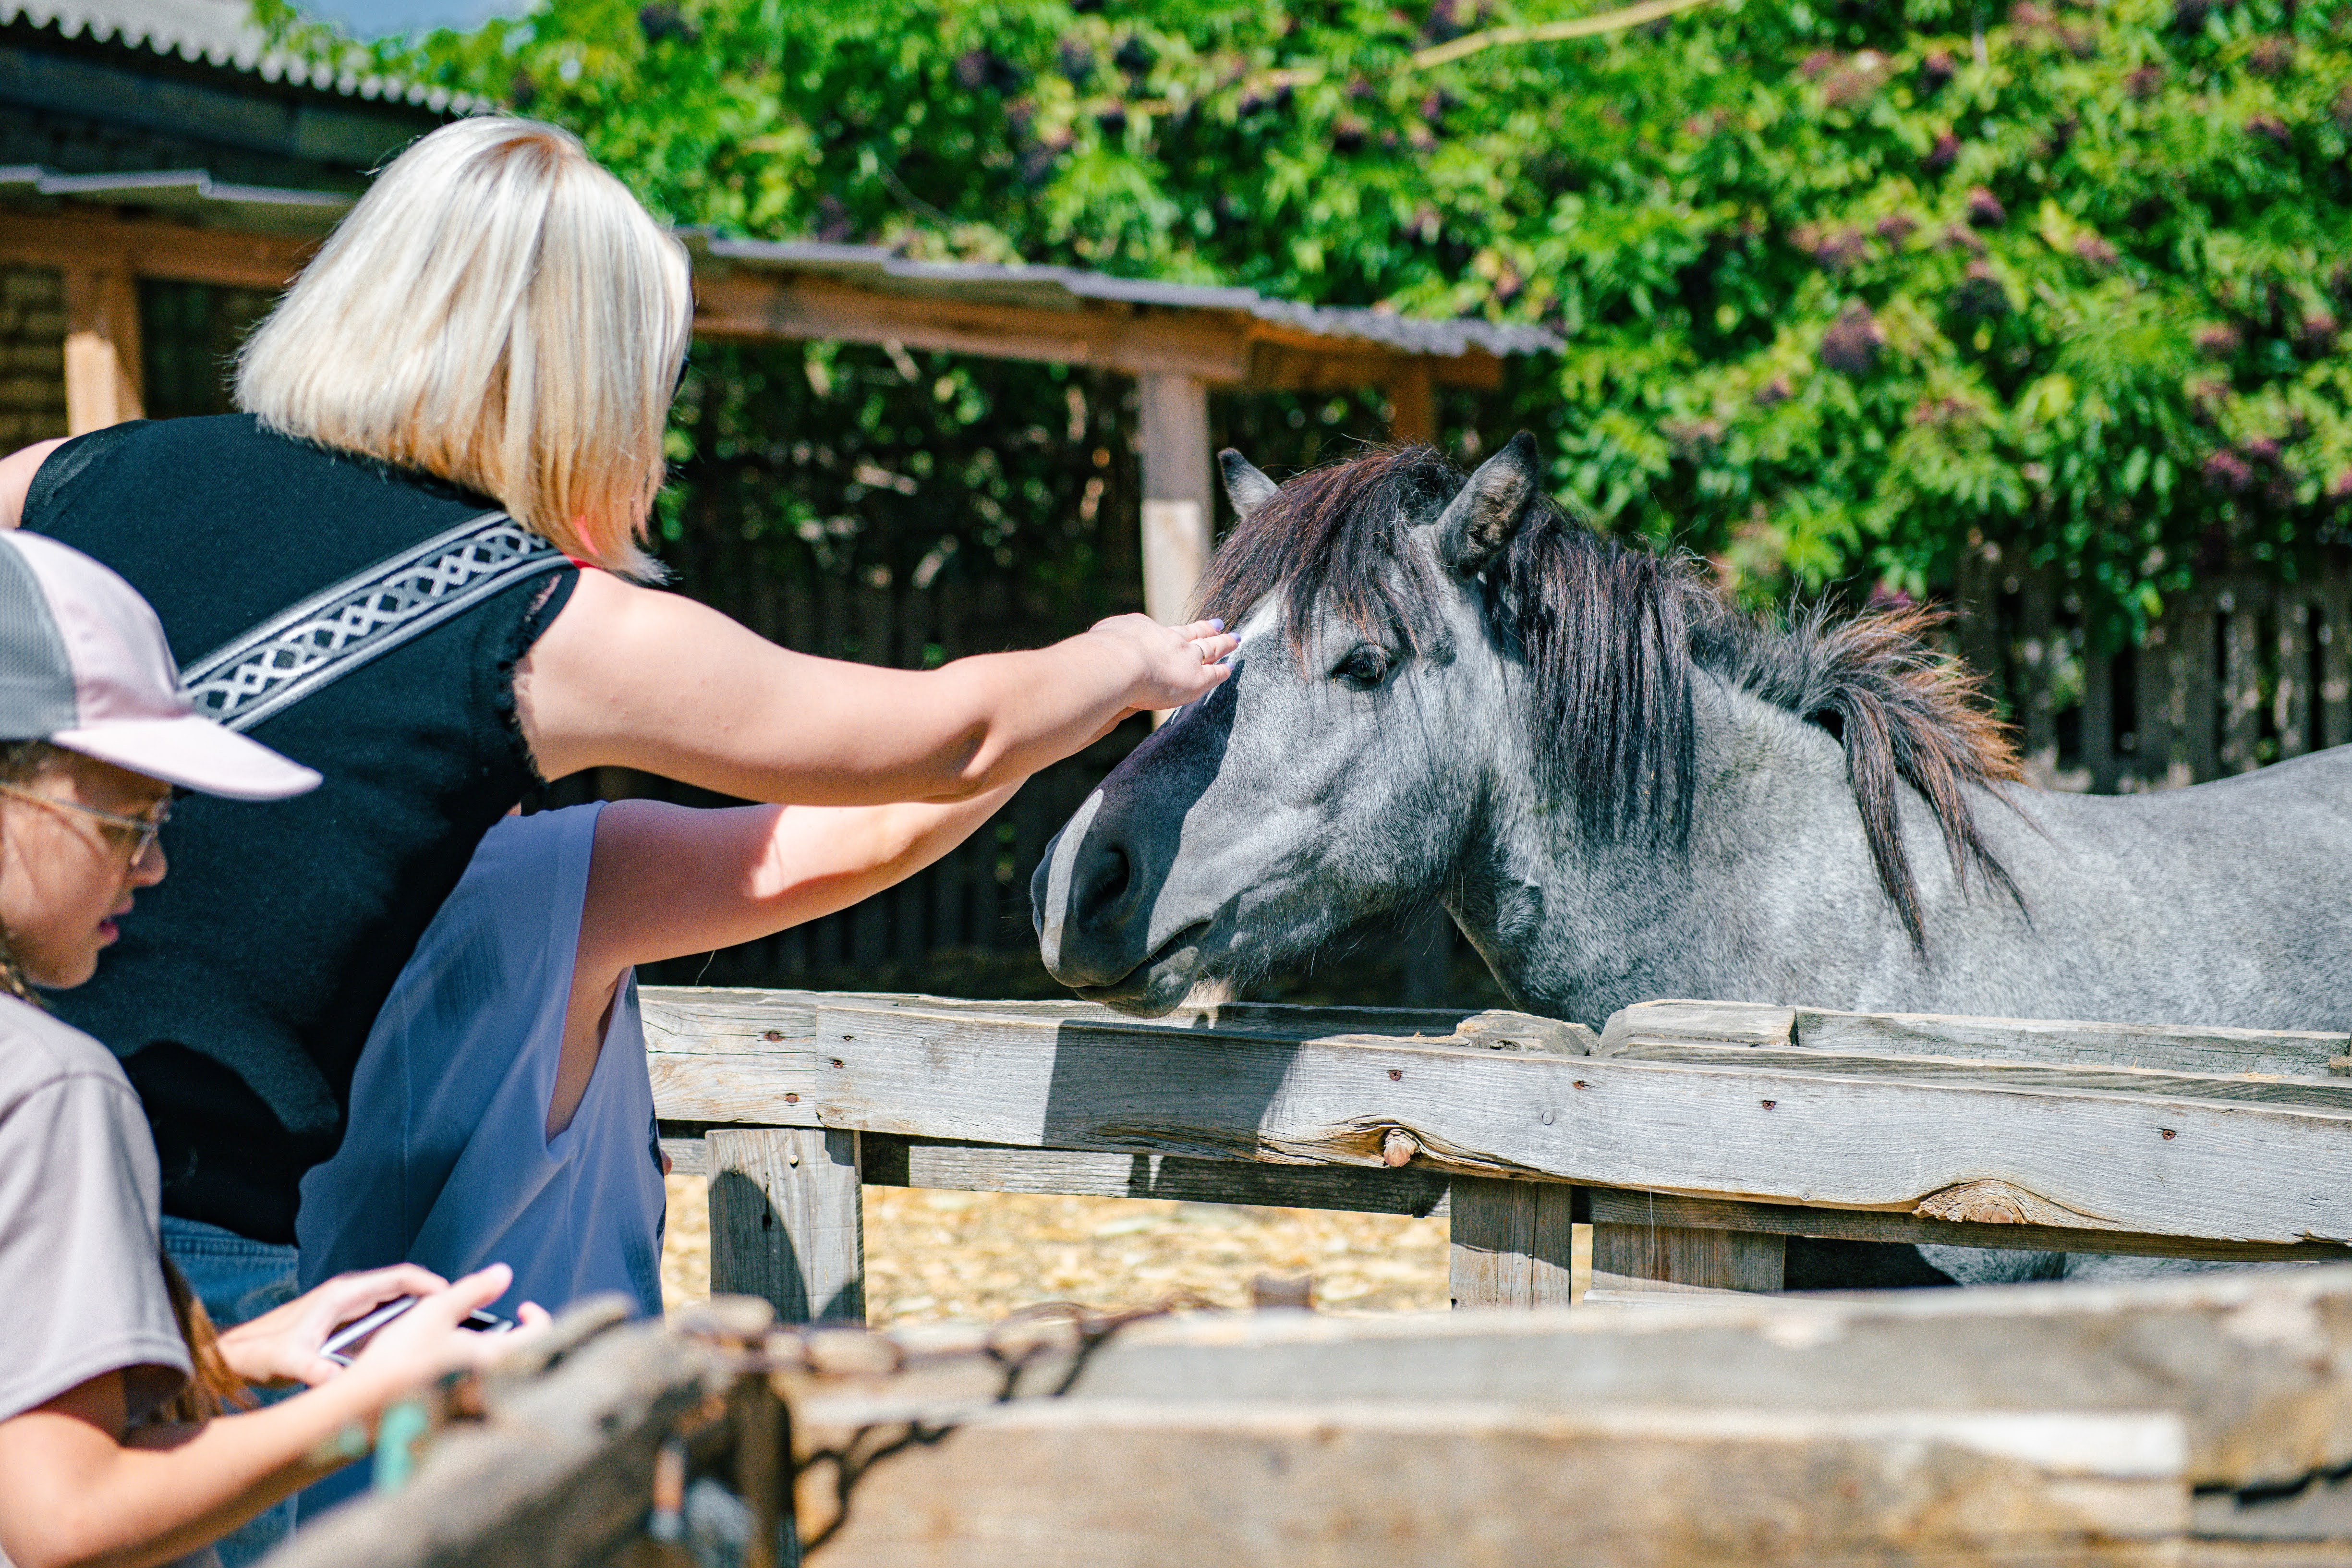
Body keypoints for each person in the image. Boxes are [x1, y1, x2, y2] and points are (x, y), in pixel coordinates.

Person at [0, 107, 1236, 1465]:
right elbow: (930, 742)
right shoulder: (538, 620)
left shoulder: (66, 477)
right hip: (177, 1243)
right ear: (591, 375)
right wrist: (1119, 659)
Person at [0, 530, 549, 1568]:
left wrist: (226, 1355)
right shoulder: (49, 1083)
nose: (154, 864)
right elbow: (61, 1517)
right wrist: (384, 1399)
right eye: (126, 812)